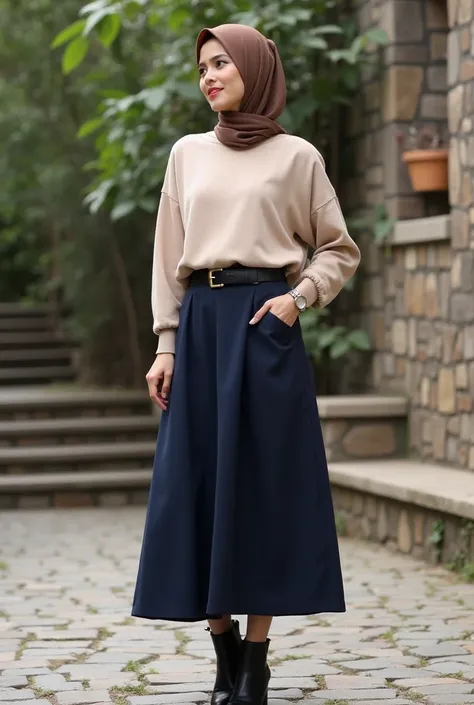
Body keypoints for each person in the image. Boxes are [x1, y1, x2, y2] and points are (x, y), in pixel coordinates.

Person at [132, 23, 361, 705]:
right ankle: (223, 644)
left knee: (263, 489)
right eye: (202, 67)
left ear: (256, 69)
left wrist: (298, 299)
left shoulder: (298, 158)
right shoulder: (186, 154)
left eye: (221, 63)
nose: (208, 77)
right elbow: (166, 251)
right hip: (201, 328)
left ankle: (254, 662)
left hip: (265, 325)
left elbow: (338, 249)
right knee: (194, 485)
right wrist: (166, 341)